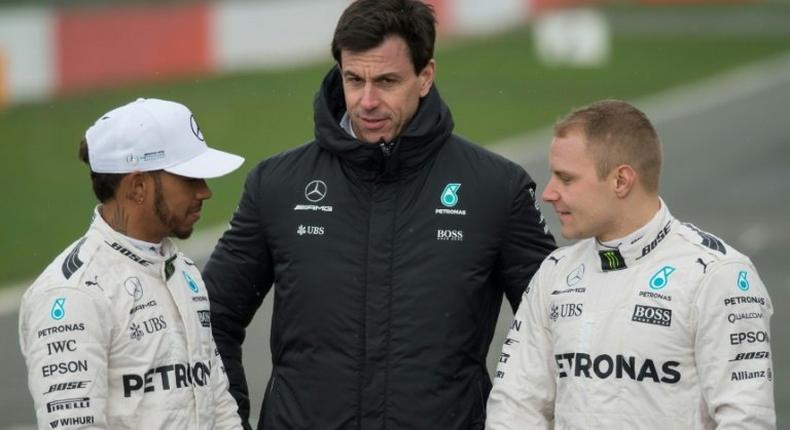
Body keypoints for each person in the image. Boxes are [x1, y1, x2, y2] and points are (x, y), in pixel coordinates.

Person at [202, 0, 556, 428]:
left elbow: (555, 332)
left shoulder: (498, 189)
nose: (367, 101)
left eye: (387, 81)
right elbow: (210, 322)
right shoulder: (276, 184)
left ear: (425, 76)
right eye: (354, 79)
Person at [486, 100, 776, 429]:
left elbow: (747, 419)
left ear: (621, 181)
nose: (549, 193)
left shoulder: (717, 275)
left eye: (566, 179)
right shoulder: (555, 273)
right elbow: (515, 407)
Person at [18, 98, 246, 429]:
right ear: (138, 186)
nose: (205, 192)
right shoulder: (71, 293)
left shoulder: (183, 272)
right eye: (190, 179)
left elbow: (219, 403)